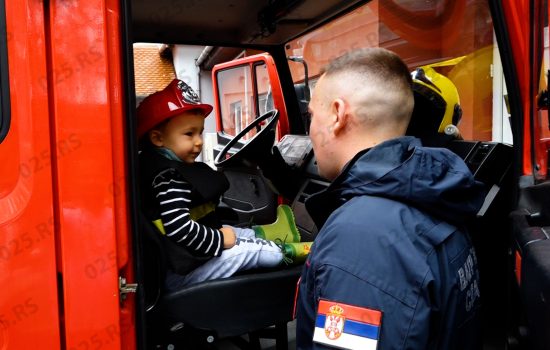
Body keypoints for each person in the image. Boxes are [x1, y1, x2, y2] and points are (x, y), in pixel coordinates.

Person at [295, 48, 485, 349]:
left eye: (312, 116)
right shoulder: (435, 193)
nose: (311, 130)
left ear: (337, 115)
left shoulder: (361, 238)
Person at [137, 79, 311, 289]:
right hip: (181, 272)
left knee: (234, 231)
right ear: (157, 139)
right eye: (189, 134)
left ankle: (277, 235)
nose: (199, 141)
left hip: (184, 259)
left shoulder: (163, 167)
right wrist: (219, 240)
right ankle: (291, 252)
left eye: (200, 132)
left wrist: (222, 235)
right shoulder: (167, 179)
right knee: (247, 250)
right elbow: (179, 228)